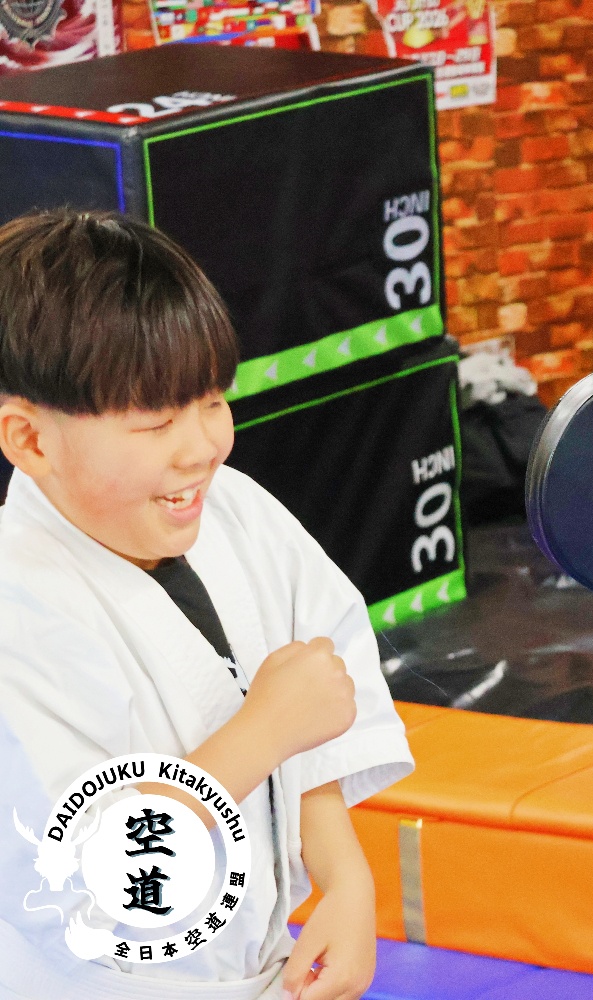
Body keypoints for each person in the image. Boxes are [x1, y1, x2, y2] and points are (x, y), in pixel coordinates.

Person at [0, 210, 414, 999]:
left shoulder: (237, 512)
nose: (201, 447)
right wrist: (262, 730)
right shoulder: (15, 614)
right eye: (156, 421)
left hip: (263, 967)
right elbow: (82, 885)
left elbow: (318, 708)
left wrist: (343, 875)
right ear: (31, 440)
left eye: (213, 401)